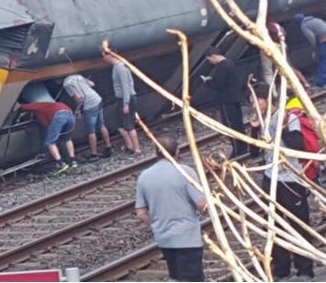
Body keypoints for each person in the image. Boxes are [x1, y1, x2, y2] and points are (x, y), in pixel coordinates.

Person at [257, 96, 315, 282]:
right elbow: (253, 152)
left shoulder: (290, 118)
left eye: (257, 100)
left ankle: (304, 269)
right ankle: (281, 269)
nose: (254, 104)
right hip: (270, 177)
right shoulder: (262, 120)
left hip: (291, 179)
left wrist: (282, 129)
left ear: (269, 100)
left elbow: (297, 145)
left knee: (298, 223)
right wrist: (254, 128)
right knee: (273, 224)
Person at [135, 135, 207, 282]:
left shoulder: (144, 176)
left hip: (164, 238)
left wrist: (156, 224)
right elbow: (202, 204)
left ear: (156, 152)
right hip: (187, 237)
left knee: (176, 277)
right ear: (177, 151)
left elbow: (141, 213)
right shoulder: (185, 172)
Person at [201, 47, 249, 159]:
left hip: (226, 100)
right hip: (235, 98)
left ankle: (238, 150)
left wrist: (208, 81)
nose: (210, 62)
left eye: (210, 60)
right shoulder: (231, 63)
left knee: (230, 125)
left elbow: (219, 84)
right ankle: (244, 146)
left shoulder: (222, 67)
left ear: (213, 56)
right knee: (238, 124)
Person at [18, 100, 78, 174]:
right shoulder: (55, 104)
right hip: (70, 115)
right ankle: (73, 161)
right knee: (67, 139)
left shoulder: (38, 106)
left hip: (59, 117)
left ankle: (60, 163)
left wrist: (18, 107)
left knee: (50, 142)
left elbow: (23, 107)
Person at [63, 74, 112, 161]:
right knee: (101, 125)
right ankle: (109, 147)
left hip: (89, 104)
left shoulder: (66, 84)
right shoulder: (78, 76)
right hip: (97, 99)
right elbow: (92, 84)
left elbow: (78, 98)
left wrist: (78, 110)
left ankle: (94, 154)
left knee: (91, 131)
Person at [102, 50, 143, 155]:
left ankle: (137, 148)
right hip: (122, 99)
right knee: (120, 124)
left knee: (129, 125)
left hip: (126, 98)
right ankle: (130, 146)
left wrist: (126, 103)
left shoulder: (120, 68)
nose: (103, 59)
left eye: (104, 56)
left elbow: (125, 86)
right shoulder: (117, 67)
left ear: (110, 55)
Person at [295, 13, 326, 88]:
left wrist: (315, 48)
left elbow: (311, 37)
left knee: (324, 61)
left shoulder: (304, 25)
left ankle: (321, 81)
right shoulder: (315, 19)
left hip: (325, 38)